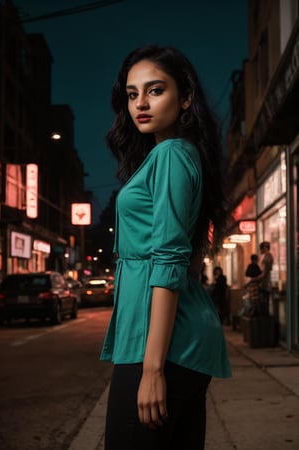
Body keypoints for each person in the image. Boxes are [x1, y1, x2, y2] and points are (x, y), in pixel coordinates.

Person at [100, 45, 231, 450]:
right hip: (179, 342)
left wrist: (152, 369)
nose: (140, 103)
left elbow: (170, 259)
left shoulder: (172, 153)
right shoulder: (174, 155)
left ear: (186, 97)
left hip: (161, 347)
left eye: (155, 90)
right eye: (132, 93)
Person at [251, 242, 274, 316]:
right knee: (263, 304)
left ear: (265, 248)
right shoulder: (265, 256)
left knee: (264, 304)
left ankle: (265, 322)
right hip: (263, 283)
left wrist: (255, 279)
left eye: (262, 248)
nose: (260, 250)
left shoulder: (267, 257)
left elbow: (265, 273)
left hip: (264, 284)